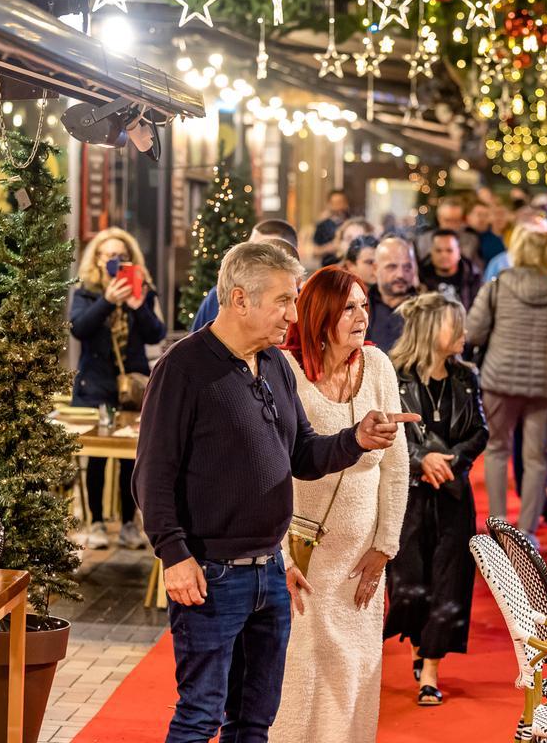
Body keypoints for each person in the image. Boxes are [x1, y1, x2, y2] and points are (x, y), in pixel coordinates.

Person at [134, 242, 419, 743]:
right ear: (240, 299)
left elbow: (303, 454)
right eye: (284, 301)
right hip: (211, 575)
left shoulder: (272, 365)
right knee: (201, 715)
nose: (294, 313)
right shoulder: (183, 369)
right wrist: (174, 555)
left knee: (256, 717)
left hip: (269, 571)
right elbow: (152, 476)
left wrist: (357, 439)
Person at [270, 267, 409, 743]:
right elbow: (277, 466)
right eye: (348, 307)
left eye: (364, 306)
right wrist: (282, 553)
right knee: (299, 674)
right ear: (320, 313)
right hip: (302, 553)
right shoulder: (285, 370)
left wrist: (385, 546)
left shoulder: (380, 367)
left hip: (361, 557)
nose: (361, 317)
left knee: (355, 673)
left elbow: (398, 465)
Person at [384, 292, 488, 707]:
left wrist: (456, 459)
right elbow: (386, 435)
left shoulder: (466, 377)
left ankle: (430, 669)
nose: (464, 333)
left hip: (453, 495)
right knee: (409, 580)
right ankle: (417, 644)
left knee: (449, 582)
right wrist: (419, 459)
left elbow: (480, 431)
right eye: (455, 325)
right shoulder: (393, 376)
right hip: (407, 495)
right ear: (431, 331)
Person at [467, 229, 547, 542]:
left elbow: (474, 332)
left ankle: (498, 526)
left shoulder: (498, 286)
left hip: (498, 380)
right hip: (543, 385)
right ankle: (527, 531)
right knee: (536, 458)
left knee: (497, 450)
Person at [71, 227, 166, 550]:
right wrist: (107, 302)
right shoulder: (86, 292)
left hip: (134, 389)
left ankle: (128, 523)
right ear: (97, 260)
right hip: (96, 385)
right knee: (97, 457)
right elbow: (79, 329)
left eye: (122, 256)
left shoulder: (144, 292)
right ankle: (96, 522)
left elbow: (156, 335)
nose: (115, 261)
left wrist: (138, 305)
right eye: (109, 255)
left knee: (131, 457)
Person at [192, 219, 299, 332]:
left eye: (266, 252)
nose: (252, 256)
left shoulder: (308, 304)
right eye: (251, 247)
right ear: (239, 299)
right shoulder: (217, 296)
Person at [367, 237, 419, 351]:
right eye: (392, 267)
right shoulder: (361, 308)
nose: (400, 274)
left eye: (407, 267)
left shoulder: (427, 311)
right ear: (375, 268)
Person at [418, 229, 482, 310]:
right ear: (431, 252)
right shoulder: (420, 278)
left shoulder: (473, 277)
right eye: (438, 251)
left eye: (449, 250)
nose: (444, 255)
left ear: (458, 252)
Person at [416, 198, 481, 267]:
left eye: (456, 221)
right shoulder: (425, 240)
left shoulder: (471, 240)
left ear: (462, 220)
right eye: (447, 220)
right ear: (439, 218)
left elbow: (478, 268)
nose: (451, 225)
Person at [313, 190, 352, 264]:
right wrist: (329, 248)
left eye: (340, 202)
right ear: (329, 204)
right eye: (335, 203)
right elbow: (315, 252)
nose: (338, 207)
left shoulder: (352, 224)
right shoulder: (322, 226)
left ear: (346, 203)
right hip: (329, 268)